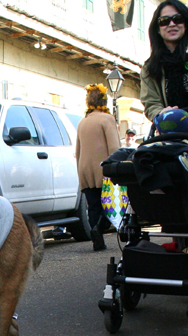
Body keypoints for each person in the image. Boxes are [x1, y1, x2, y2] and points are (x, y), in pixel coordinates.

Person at [75, 84, 121, 251]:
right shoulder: (107, 119)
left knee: (93, 206)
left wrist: (80, 176)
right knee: (109, 205)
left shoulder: (82, 122)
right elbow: (114, 148)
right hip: (104, 169)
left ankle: (97, 240)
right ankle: (99, 228)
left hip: (85, 169)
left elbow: (77, 151)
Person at [139, 0, 188, 123]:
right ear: (158, 29)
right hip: (171, 130)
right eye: (164, 21)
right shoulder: (150, 68)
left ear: (186, 24)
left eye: (178, 19)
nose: (171, 24)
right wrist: (162, 113)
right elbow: (151, 104)